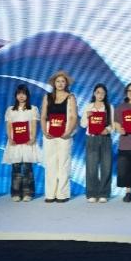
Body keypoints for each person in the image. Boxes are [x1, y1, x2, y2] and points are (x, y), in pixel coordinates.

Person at [41, 71, 78, 203]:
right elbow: (43, 116)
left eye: (63, 81)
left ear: (66, 83)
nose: (60, 84)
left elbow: (73, 116)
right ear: (54, 83)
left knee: (63, 163)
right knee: (50, 163)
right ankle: (50, 194)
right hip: (49, 133)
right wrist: (44, 131)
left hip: (65, 133)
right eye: (58, 81)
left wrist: (68, 132)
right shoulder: (47, 97)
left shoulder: (70, 97)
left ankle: (62, 194)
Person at [3, 84, 40, 202]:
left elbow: (33, 125)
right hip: (15, 142)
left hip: (28, 141)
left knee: (28, 167)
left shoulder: (33, 109)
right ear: (16, 95)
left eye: (24, 93)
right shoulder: (10, 109)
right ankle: (16, 193)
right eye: (19, 93)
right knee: (16, 167)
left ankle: (28, 193)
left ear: (27, 95)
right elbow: (8, 126)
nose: (21, 96)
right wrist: (10, 138)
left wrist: (33, 138)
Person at [81, 83, 114, 203]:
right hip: (92, 138)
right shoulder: (88, 106)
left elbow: (112, 125)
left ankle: (104, 193)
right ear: (94, 93)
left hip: (105, 138)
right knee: (91, 167)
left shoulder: (109, 107)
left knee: (106, 166)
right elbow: (82, 124)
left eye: (103, 93)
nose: (100, 95)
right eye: (98, 92)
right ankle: (92, 193)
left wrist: (108, 130)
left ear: (105, 95)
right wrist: (87, 116)